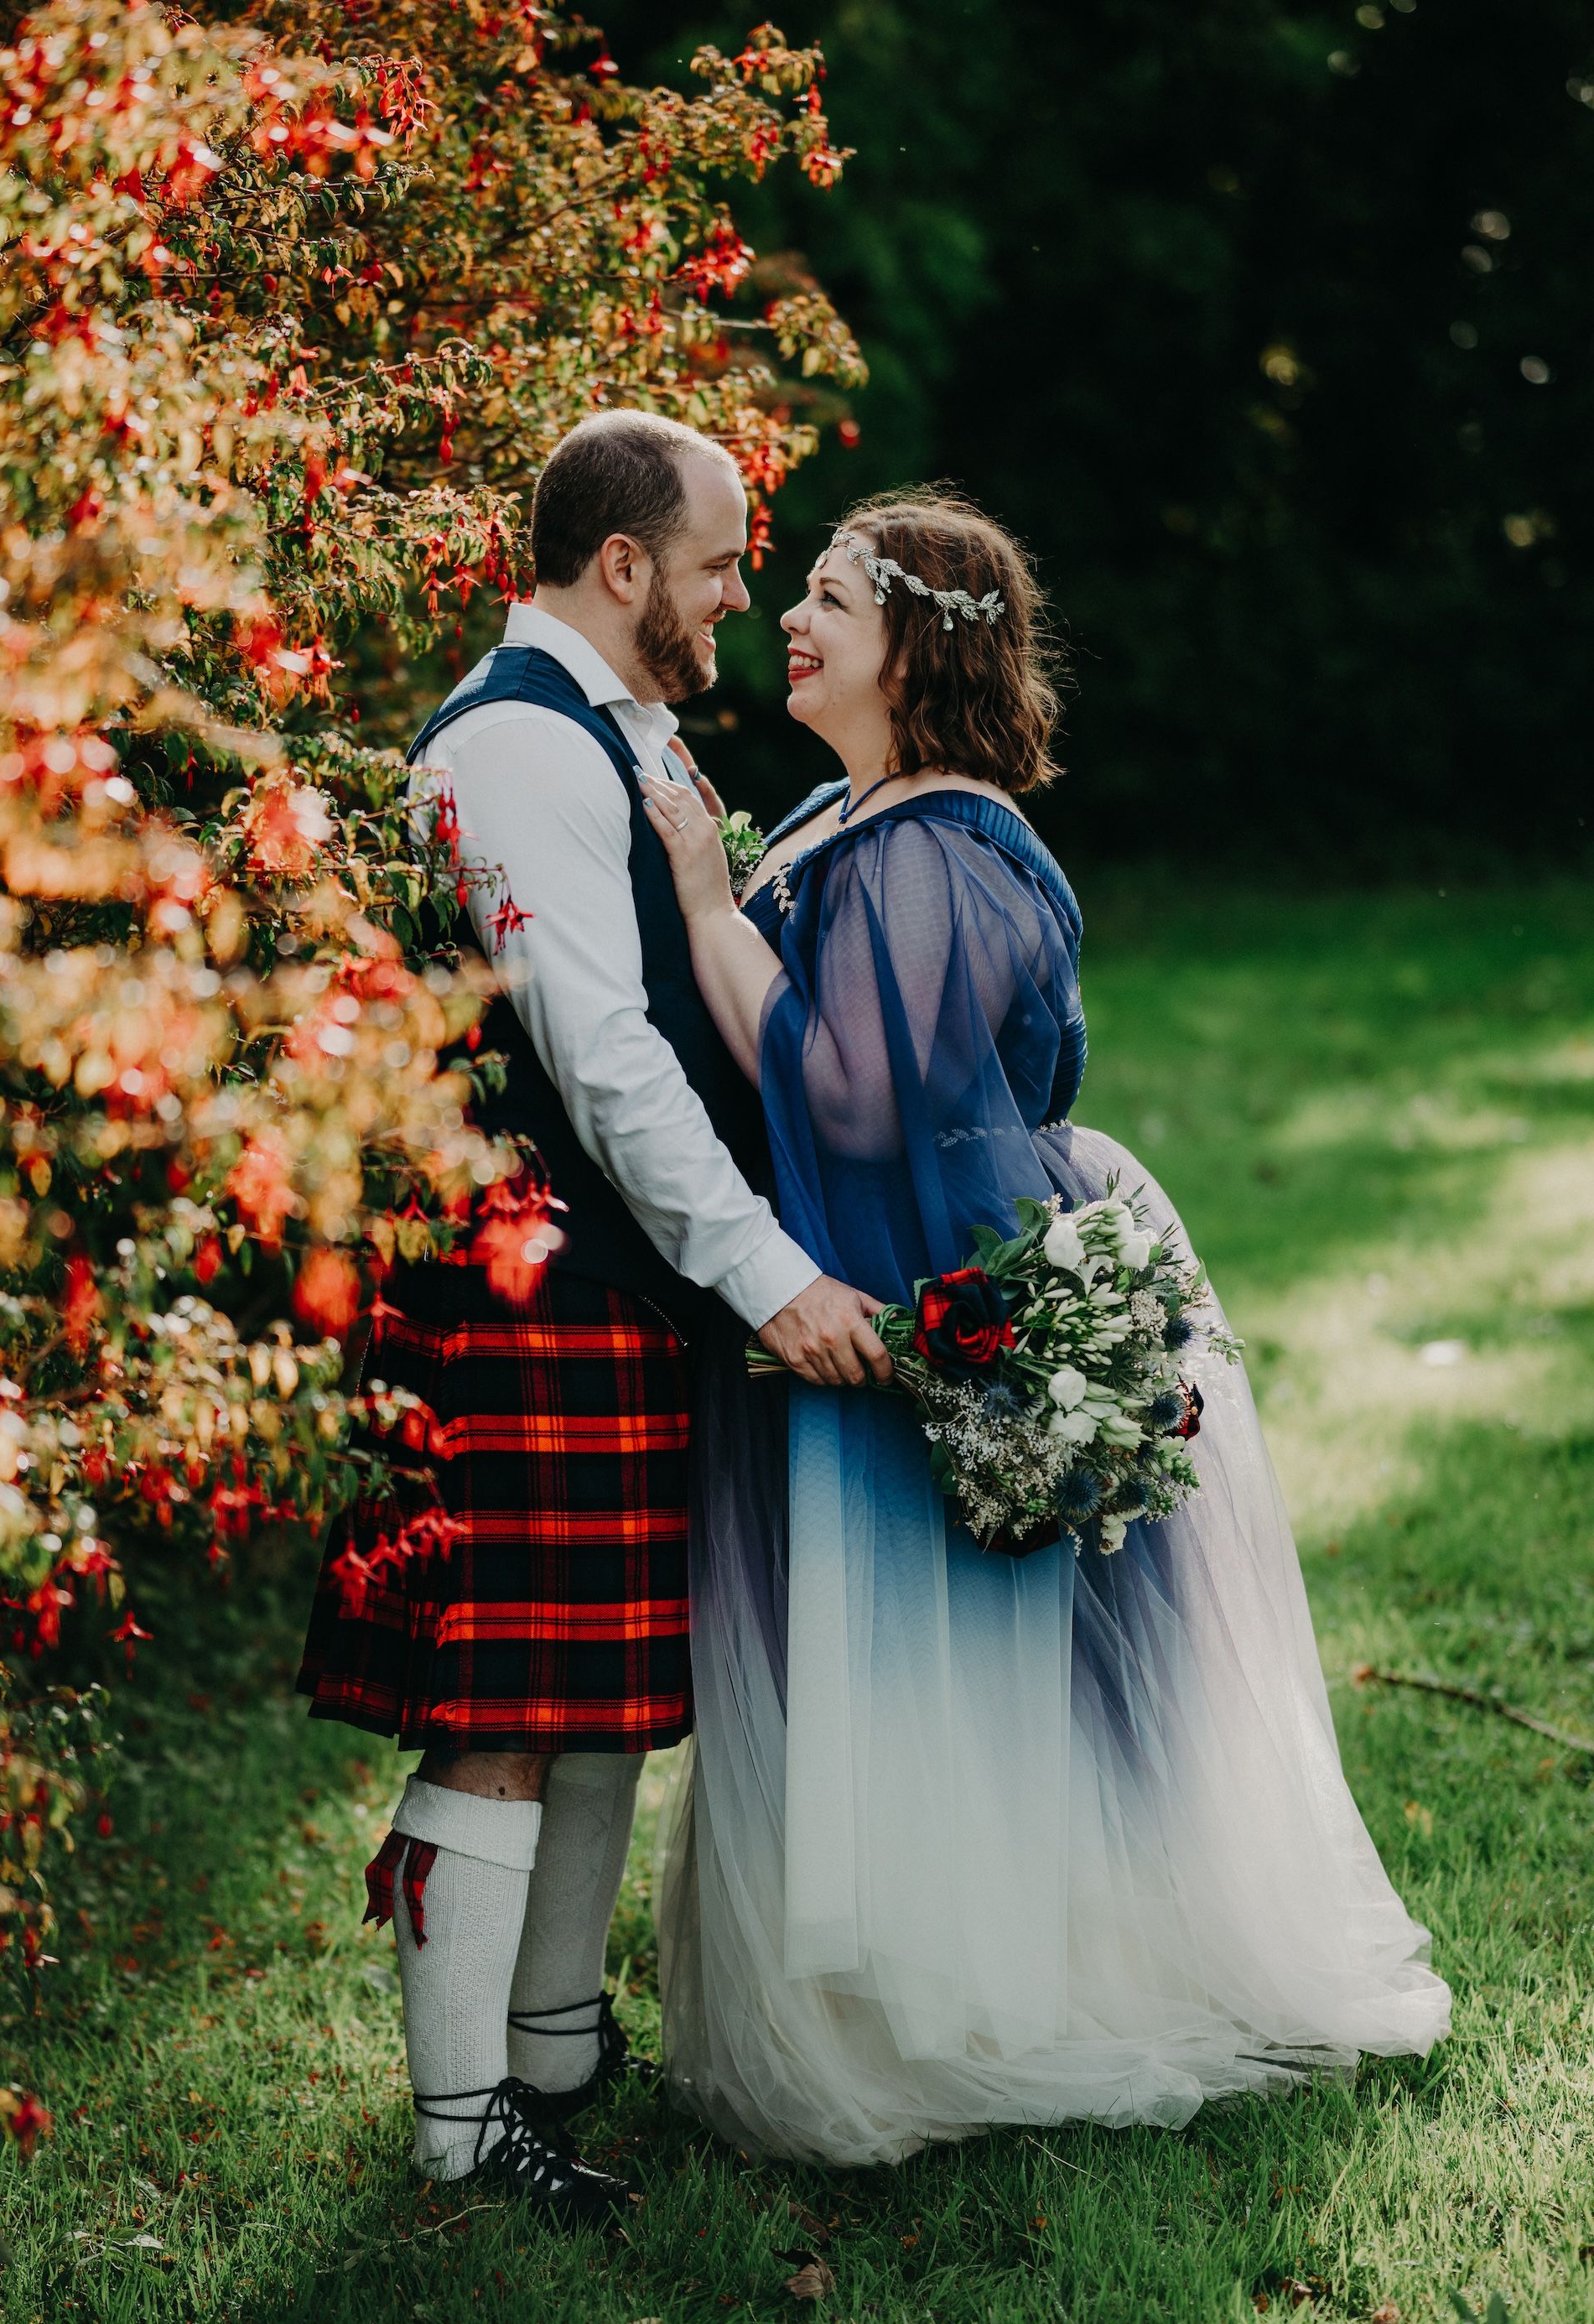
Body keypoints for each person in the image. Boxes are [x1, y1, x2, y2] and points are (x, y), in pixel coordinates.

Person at [640, 491, 1451, 2165]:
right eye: (793, 590)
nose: (795, 618)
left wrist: (715, 908)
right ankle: (911, 1986)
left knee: (951, 1651)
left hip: (934, 1284)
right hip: (880, 1278)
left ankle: (984, 2006)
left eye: (834, 599)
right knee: (886, 1649)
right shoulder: (857, 813)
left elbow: (862, 1099)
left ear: (919, 646)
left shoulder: (933, 844)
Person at [295, 413, 885, 2227]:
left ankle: (553, 2046)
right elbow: (601, 1059)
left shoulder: (612, 736)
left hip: (599, 1272)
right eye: (715, 561)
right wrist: (766, 1269)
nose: (735, 595)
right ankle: (465, 2124)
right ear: (622, 564)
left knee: (601, 1692)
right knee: (497, 1706)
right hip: (518, 1272)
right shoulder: (506, 749)